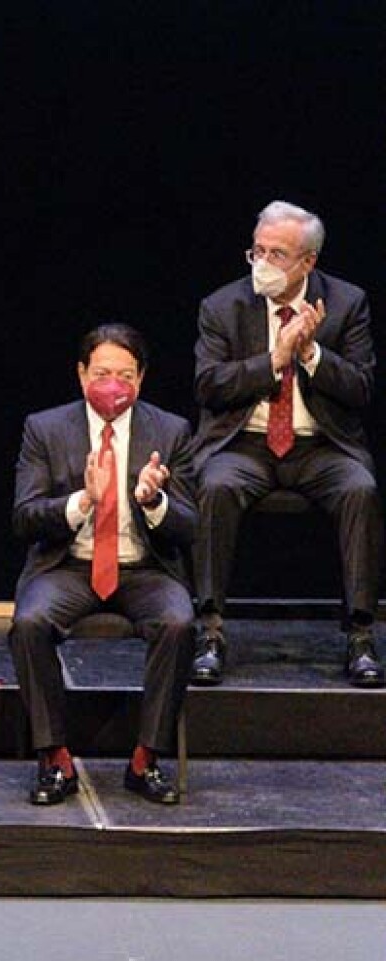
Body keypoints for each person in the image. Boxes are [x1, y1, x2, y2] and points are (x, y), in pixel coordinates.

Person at [190, 201, 382, 688]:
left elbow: (361, 389)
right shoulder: (222, 305)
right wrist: (274, 359)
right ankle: (210, 631)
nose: (263, 264)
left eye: (277, 254)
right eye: (257, 251)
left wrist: (312, 353)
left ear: (308, 262)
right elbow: (209, 386)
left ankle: (360, 635)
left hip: (321, 446)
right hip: (246, 443)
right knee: (214, 487)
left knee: (360, 490)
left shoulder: (346, 303)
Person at [8, 324, 196, 806]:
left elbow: (189, 525)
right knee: (29, 622)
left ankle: (145, 758)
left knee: (178, 622)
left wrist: (154, 503)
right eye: (102, 372)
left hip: (143, 568)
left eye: (125, 374)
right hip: (68, 565)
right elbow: (25, 518)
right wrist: (81, 502)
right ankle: (55, 757)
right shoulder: (44, 429)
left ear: (142, 378)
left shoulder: (170, 431)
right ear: (80, 374)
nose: (113, 384)